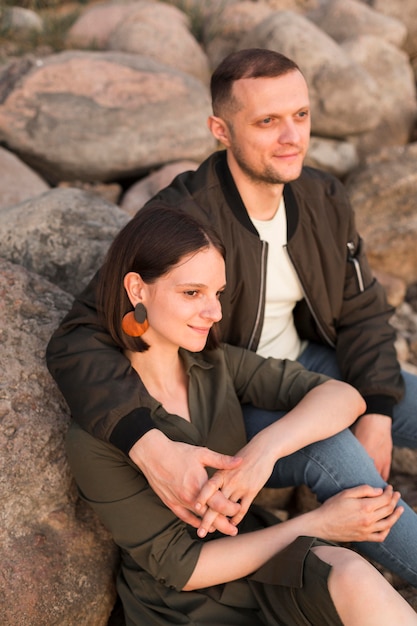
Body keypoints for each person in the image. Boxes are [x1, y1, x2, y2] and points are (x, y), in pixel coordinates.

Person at [46, 48, 417, 584]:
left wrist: (378, 413)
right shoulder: (181, 219)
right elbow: (77, 338)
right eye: (268, 121)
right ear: (220, 129)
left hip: (307, 365)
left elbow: (361, 311)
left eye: (301, 115)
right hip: (233, 395)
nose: (292, 137)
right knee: (338, 454)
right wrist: (148, 445)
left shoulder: (322, 195)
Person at [65, 204, 416, 625]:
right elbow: (184, 568)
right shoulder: (99, 433)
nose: (214, 313)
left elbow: (342, 396)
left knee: (354, 575)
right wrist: (320, 523)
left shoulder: (215, 365)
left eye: (217, 294)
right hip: (187, 604)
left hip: (260, 554)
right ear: (137, 290)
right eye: (192, 293)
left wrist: (261, 453)